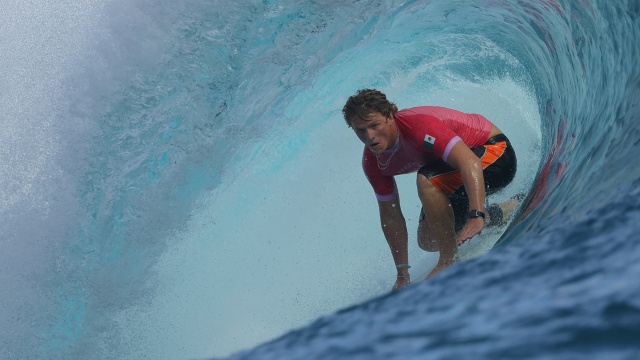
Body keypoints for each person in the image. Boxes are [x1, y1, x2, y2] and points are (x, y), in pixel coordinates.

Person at [342, 89, 518, 290]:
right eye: (361, 130)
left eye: (374, 125)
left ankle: (449, 260)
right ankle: (498, 213)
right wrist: (402, 274)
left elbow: (469, 162)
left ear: (390, 116)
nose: (370, 136)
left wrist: (475, 214)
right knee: (429, 239)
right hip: (458, 177)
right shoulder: (373, 162)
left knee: (426, 179)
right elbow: (390, 214)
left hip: (496, 154)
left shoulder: (417, 126)